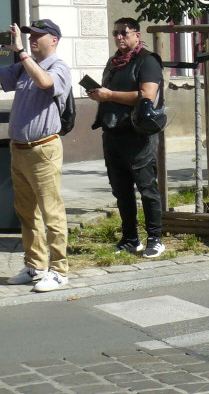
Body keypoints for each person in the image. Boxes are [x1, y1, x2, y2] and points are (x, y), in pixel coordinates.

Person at [1, 20, 72, 292]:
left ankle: (59, 270)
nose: (32, 39)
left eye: (39, 36)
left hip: (44, 149)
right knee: (26, 213)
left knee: (51, 211)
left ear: (53, 40)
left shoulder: (58, 67)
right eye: (30, 35)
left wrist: (22, 54)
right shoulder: (22, 67)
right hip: (18, 149)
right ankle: (35, 265)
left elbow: (44, 82)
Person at [88, 17, 165, 258]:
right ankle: (130, 238)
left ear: (137, 36)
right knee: (121, 190)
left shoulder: (147, 61)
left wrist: (109, 95)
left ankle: (156, 238)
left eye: (124, 32)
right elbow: (110, 94)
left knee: (147, 188)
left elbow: (147, 95)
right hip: (112, 132)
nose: (119, 37)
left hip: (137, 134)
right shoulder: (115, 62)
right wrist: (100, 95)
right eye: (116, 33)